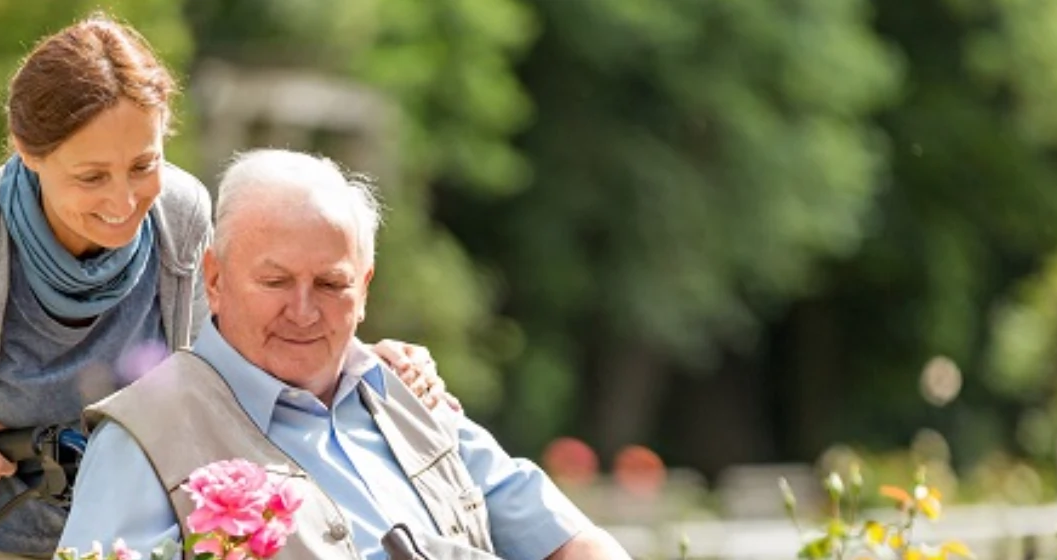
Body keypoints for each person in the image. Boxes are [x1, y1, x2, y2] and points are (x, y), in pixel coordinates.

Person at [0, 15, 455, 560]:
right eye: (91, 177)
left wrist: (365, 360)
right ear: (29, 157)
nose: (124, 202)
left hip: (130, 523)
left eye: (141, 164)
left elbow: (249, 324)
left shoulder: (179, 212)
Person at [58, 150, 630, 560]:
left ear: (366, 286)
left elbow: (572, 541)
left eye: (331, 285)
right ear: (214, 279)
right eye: (276, 282)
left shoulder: (408, 394)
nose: (304, 311)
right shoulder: (144, 436)